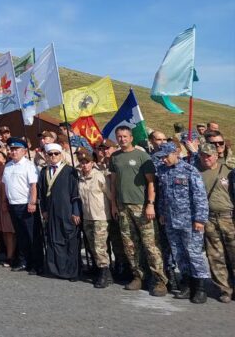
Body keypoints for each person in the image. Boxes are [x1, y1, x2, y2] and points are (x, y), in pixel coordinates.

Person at [109, 125, 168, 296]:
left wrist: (150, 204)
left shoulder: (142, 156)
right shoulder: (114, 157)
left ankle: (159, 281)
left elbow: (151, 183)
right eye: (119, 136)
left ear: (131, 137)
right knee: (130, 245)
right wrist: (113, 204)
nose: (122, 139)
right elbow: (113, 183)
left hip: (141, 206)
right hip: (122, 206)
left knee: (151, 245)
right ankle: (138, 276)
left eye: (125, 136)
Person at [157, 141, 210, 304]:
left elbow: (200, 197)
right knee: (179, 254)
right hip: (171, 221)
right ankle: (187, 285)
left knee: (194, 254)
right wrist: (162, 213)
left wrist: (200, 219)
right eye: (162, 157)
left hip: (190, 221)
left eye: (166, 156)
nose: (164, 160)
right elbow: (163, 195)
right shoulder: (163, 171)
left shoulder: (190, 171)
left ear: (176, 153)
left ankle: (200, 288)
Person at [37, 143, 82, 281]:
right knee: (54, 240)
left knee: (70, 242)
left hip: (67, 211)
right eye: (50, 154)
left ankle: (72, 271)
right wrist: (44, 210)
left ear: (61, 155)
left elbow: (75, 193)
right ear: (46, 156)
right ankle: (56, 269)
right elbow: (42, 192)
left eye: (56, 154)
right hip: (51, 212)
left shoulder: (70, 170)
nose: (53, 156)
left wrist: (76, 212)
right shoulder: (44, 171)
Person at [197, 142, 235, 303]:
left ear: (216, 155)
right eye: (202, 155)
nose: (206, 158)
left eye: (209, 155)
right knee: (215, 255)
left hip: (229, 217)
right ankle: (224, 289)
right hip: (209, 218)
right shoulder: (197, 172)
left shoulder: (228, 170)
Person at [2, 138, 41, 274]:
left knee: (32, 235)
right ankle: (24, 261)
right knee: (21, 235)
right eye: (11, 149)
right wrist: (5, 202)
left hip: (26, 204)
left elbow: (33, 186)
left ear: (24, 151)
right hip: (13, 204)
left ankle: (36, 264)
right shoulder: (8, 166)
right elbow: (6, 186)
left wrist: (32, 202)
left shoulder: (29, 165)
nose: (13, 152)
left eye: (16, 149)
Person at [75, 149, 114, 288]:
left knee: (99, 246)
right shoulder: (80, 178)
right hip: (87, 216)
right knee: (92, 246)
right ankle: (105, 272)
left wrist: (113, 209)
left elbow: (110, 195)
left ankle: (103, 271)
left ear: (92, 163)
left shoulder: (99, 176)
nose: (84, 165)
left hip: (100, 216)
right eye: (82, 163)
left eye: (87, 162)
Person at [0, 149, 15, 266]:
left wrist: (6, 202)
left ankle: (11, 256)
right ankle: (7, 253)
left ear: (5, 158)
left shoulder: (8, 169)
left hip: (7, 203)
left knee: (9, 231)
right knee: (3, 231)